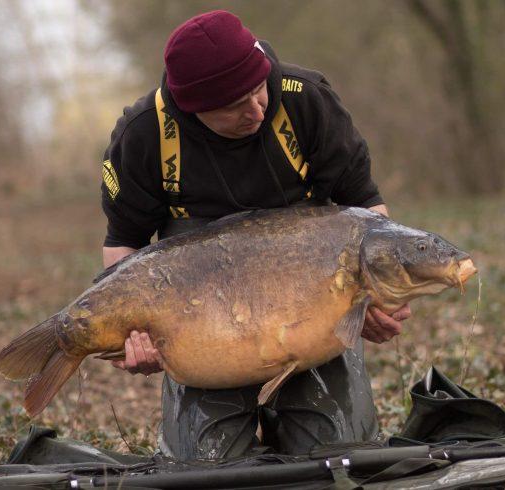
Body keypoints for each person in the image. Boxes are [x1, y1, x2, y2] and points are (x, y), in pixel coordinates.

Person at [100, 10, 411, 459]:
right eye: (234, 107)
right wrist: (135, 332)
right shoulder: (145, 134)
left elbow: (367, 209)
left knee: (339, 458)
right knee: (207, 468)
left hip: (309, 303)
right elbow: (123, 244)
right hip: (205, 317)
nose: (256, 109)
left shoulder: (306, 100)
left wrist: (375, 296)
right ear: (194, 109)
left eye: (258, 90)